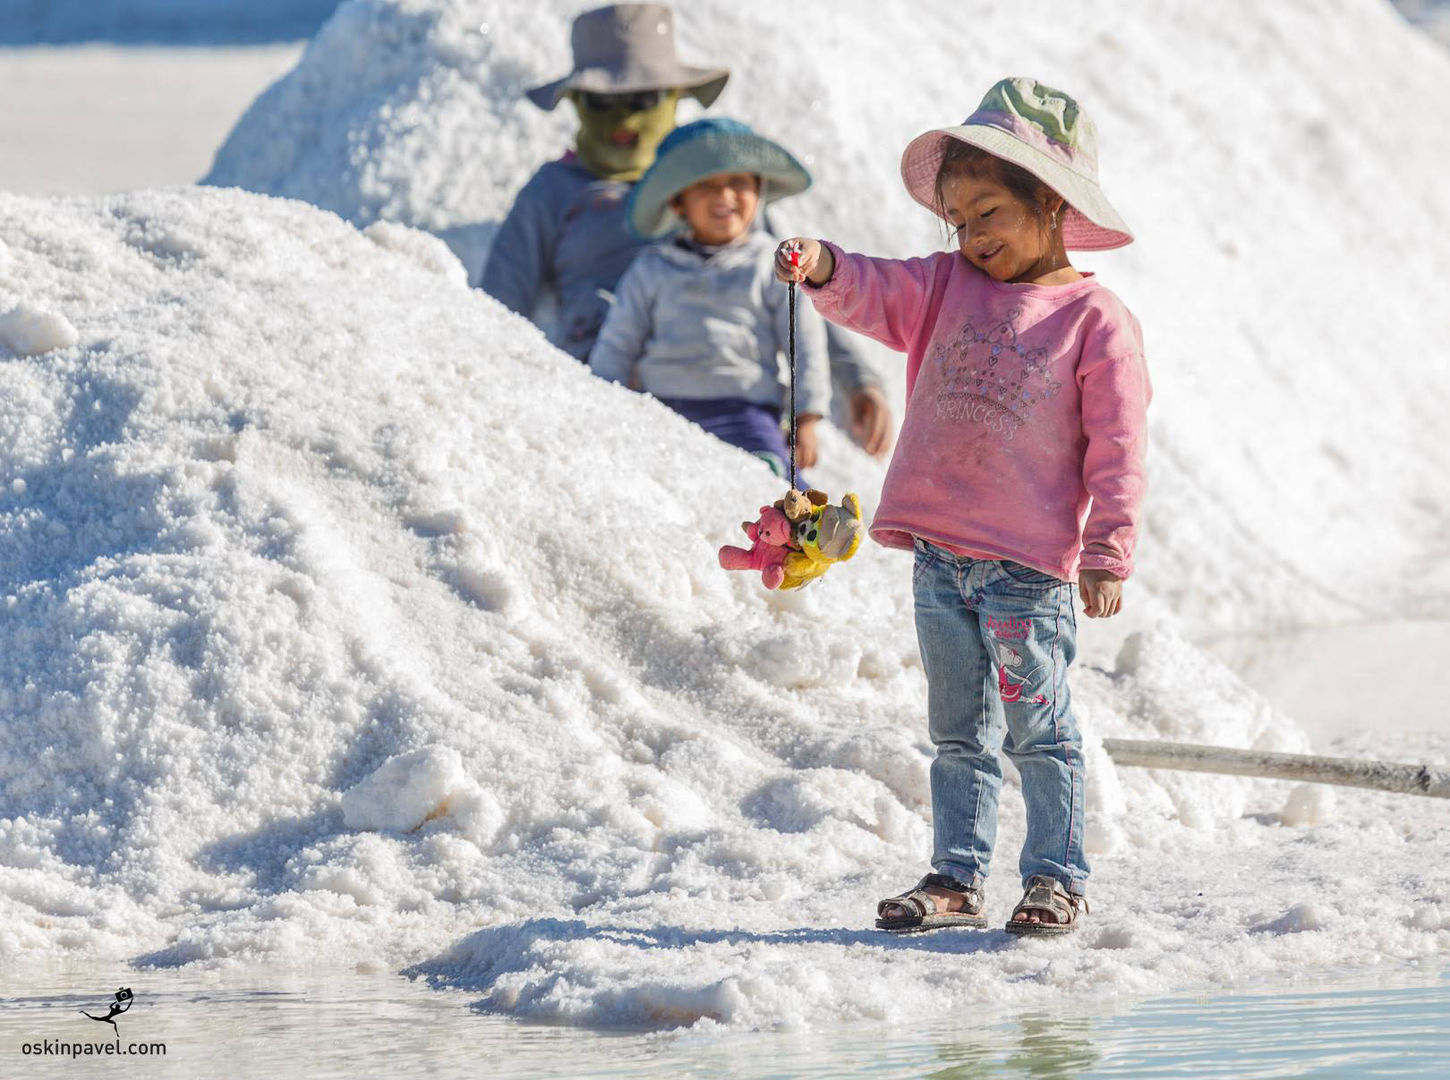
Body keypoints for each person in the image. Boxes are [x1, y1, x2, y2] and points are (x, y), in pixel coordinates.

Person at [776, 78, 1150, 936]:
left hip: (1027, 569)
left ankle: (1055, 877)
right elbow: (875, 288)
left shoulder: (1094, 320)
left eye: (990, 215)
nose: (973, 238)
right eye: (961, 223)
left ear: (1050, 204)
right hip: (942, 560)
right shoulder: (945, 288)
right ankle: (954, 877)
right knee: (957, 734)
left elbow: (1119, 448)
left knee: (1041, 732)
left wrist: (1107, 550)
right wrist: (825, 265)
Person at [482, 3, 893, 456]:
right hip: (602, 392)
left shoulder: (724, 191)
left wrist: (855, 382)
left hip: (728, 395)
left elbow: (794, 289)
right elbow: (496, 311)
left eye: (643, 99)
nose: (625, 118)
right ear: (577, 101)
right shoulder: (552, 191)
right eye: (603, 101)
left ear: (674, 96)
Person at [589, 118, 829, 478]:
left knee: (774, 489)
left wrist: (805, 418)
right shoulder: (653, 267)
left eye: (738, 182)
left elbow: (804, 343)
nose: (724, 196)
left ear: (759, 190)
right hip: (662, 409)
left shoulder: (773, 263)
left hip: (746, 411)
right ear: (678, 201)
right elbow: (618, 340)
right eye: (705, 184)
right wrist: (601, 402)